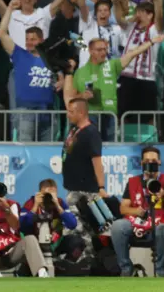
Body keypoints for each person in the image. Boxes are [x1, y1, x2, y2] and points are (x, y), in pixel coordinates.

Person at [111, 146, 164, 277]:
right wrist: (136, 211)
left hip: (158, 225)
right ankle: (126, 268)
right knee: (118, 226)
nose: (150, 164)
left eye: (153, 161)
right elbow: (123, 208)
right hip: (137, 224)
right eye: (147, 161)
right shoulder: (133, 182)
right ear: (141, 163)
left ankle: (161, 271)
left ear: (159, 162)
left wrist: (163, 194)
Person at [0, 0, 58, 142]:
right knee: (25, 152)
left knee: (46, 154)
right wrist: (10, 9)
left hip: (47, 111)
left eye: (33, 39)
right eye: (27, 39)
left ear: (42, 40)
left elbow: (61, 76)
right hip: (25, 111)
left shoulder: (51, 58)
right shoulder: (19, 54)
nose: (29, 42)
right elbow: (1, 33)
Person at [61, 73, 108, 258]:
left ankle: (87, 260)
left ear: (81, 113)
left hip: (86, 190)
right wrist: (69, 74)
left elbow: (97, 162)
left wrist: (101, 188)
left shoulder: (90, 133)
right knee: (75, 227)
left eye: (71, 112)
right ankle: (80, 260)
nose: (68, 114)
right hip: (73, 188)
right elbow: (68, 98)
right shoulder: (75, 129)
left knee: (79, 227)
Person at [20, 178, 78, 273]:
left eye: (52, 194)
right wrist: (35, 206)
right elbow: (23, 226)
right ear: (39, 193)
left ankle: (64, 268)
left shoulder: (59, 203)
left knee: (77, 242)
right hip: (35, 245)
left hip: (54, 242)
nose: (49, 197)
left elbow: (72, 224)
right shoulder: (31, 203)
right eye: (46, 194)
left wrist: (58, 206)